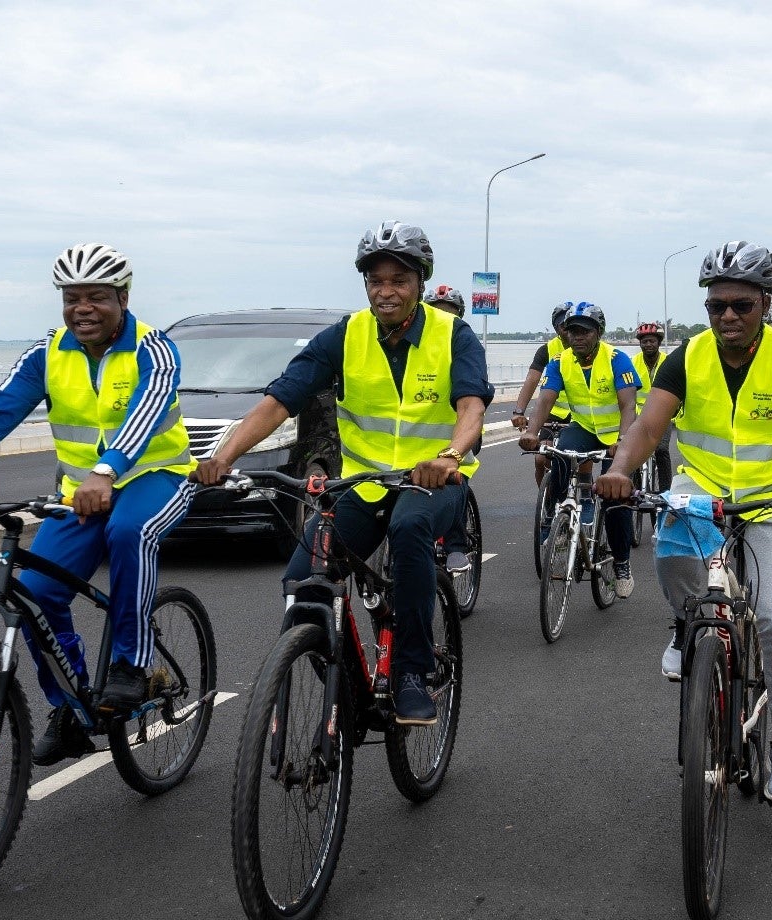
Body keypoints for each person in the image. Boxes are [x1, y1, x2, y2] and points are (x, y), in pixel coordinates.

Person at [0, 243, 198, 766]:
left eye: (96, 297)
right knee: (31, 593)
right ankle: (70, 703)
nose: (82, 308)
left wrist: (108, 470)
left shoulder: (154, 348)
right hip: (80, 494)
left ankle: (133, 662)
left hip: (158, 478)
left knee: (130, 532)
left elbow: (146, 413)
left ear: (122, 298)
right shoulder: (48, 353)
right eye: (71, 297)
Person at [195, 221, 492, 725]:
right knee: (301, 579)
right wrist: (224, 456)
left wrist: (451, 457)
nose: (386, 291)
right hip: (364, 484)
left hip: (434, 482)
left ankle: (411, 673)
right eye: (376, 281)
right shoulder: (345, 336)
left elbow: (471, 405)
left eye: (399, 279)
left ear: (421, 282)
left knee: (410, 528)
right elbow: (278, 402)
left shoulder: (452, 335)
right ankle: (346, 685)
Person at [594, 240, 772, 806]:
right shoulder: (688, 356)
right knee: (669, 542)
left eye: (740, 305)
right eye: (716, 306)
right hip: (703, 492)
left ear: (766, 304)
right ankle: (686, 626)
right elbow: (649, 428)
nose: (727, 316)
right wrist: (618, 469)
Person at [517, 302, 640, 597]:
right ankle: (562, 512)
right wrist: (533, 431)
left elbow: (628, 405)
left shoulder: (617, 359)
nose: (578, 336)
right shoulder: (559, 362)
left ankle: (622, 563)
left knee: (615, 497)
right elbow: (545, 399)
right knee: (559, 455)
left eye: (585, 331)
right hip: (583, 428)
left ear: (598, 332)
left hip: (616, 435)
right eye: (572, 331)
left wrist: (622, 442)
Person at [424, 283, 475, 572]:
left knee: (455, 478)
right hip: (416, 438)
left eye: (449, 313)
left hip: (457, 431)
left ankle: (456, 545)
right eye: (435, 312)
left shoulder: (463, 344)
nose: (442, 318)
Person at [510, 303, 575, 485]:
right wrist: (519, 411)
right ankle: (546, 501)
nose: (568, 331)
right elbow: (532, 379)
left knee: (577, 460)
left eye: (571, 325)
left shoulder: (586, 347)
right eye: (563, 326)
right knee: (541, 459)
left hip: (580, 414)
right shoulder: (546, 350)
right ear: (556, 328)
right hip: (552, 413)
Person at [632, 321, 674, 491]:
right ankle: (634, 489)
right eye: (644, 341)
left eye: (652, 341)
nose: (648, 344)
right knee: (633, 450)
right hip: (639, 416)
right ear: (640, 343)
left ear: (658, 342)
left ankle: (666, 493)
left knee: (661, 450)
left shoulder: (669, 362)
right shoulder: (633, 363)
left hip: (663, 415)